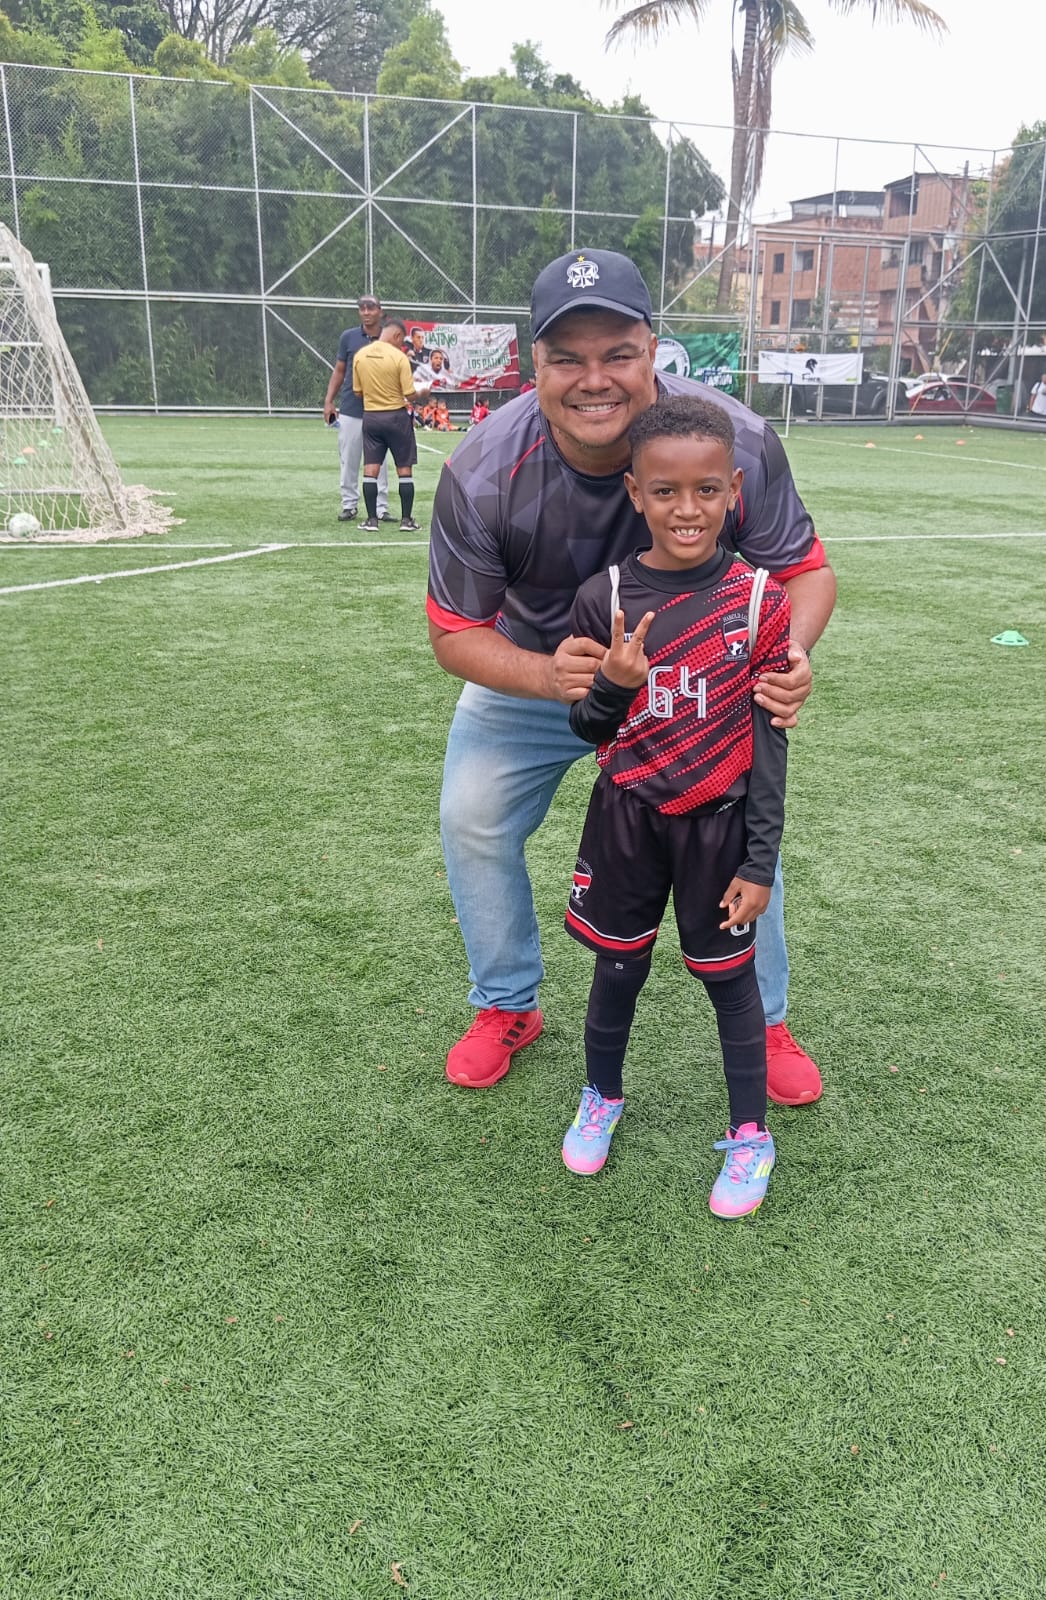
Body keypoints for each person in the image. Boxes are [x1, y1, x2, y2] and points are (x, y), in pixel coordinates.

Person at [426, 247, 837, 1104]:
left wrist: (786, 652)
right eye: (566, 358)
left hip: (703, 685)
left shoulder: (733, 442)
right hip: (549, 675)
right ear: (534, 363)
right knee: (471, 816)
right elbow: (455, 632)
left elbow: (806, 573)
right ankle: (506, 1003)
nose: (594, 380)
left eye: (617, 353)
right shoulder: (483, 469)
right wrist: (549, 676)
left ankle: (765, 1021)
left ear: (653, 349)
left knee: (739, 827)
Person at [560, 395, 788, 1219]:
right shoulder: (605, 597)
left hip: (718, 829)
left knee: (730, 983)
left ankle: (751, 1135)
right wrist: (614, 686)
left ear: (732, 490)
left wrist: (759, 862)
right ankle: (601, 1096)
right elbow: (587, 728)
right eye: (665, 491)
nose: (686, 509)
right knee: (617, 966)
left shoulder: (759, 600)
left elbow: (771, 746)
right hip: (625, 821)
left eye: (705, 491)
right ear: (635, 493)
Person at [351, 317, 427, 532]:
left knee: (370, 468)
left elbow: (357, 392)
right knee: (404, 469)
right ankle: (406, 521)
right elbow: (409, 394)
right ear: (396, 335)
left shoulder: (360, 355)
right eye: (401, 340)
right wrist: (423, 392)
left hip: (371, 418)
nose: (401, 344)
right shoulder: (399, 357)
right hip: (396, 418)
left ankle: (371, 520)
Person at [323, 295, 392, 524]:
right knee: (349, 459)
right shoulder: (348, 337)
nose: (366, 312)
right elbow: (339, 370)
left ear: (380, 311)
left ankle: (381, 508)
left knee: (380, 462)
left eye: (370, 308)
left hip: (381, 409)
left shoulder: (389, 337)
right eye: (362, 308)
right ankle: (349, 505)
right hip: (352, 408)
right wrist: (329, 401)